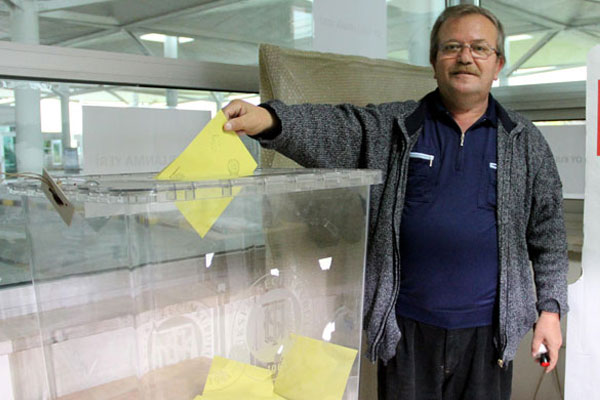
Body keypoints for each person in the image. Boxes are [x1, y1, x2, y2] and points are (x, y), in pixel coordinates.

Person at [222, 5, 568, 400]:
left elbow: (549, 236)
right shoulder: (397, 126)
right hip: (406, 328)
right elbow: (337, 127)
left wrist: (550, 311)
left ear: (498, 64)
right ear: (434, 62)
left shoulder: (525, 142)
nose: (465, 57)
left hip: (488, 333)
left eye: (479, 48)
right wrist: (270, 120)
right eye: (451, 47)